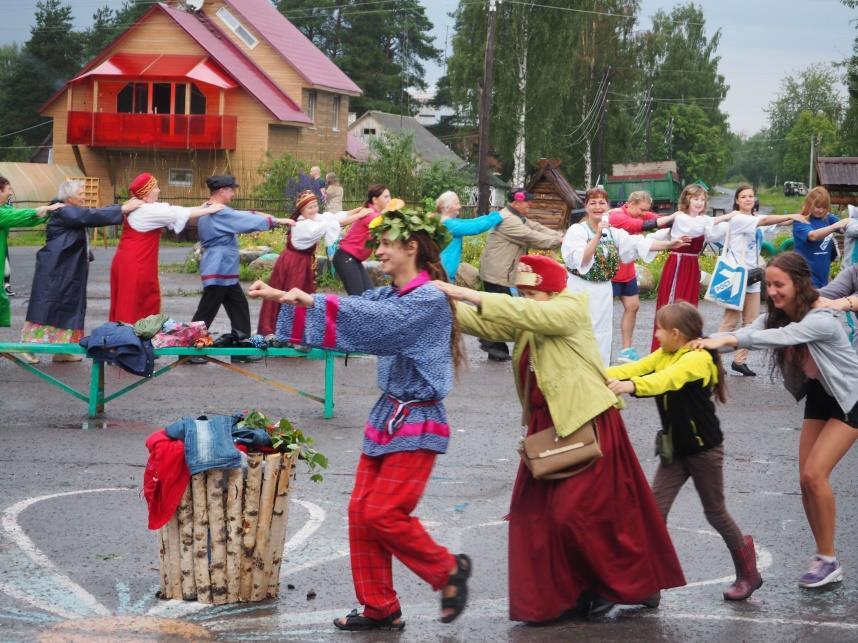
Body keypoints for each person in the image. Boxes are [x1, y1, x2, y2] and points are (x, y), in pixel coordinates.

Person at [248, 209, 471, 631]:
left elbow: (380, 326)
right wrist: (286, 296)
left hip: (417, 420)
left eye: (386, 244)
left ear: (412, 248)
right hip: (388, 415)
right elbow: (362, 307)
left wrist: (314, 301)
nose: (378, 251)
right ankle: (379, 606)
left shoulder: (426, 301)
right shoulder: (394, 295)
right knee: (360, 512)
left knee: (383, 513)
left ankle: (447, 571)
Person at [434, 255, 684, 622]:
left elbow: (529, 315)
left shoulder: (570, 307)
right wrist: (429, 298)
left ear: (549, 289)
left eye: (529, 291)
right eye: (520, 291)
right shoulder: (528, 315)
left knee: (578, 515)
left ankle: (620, 585)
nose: (523, 298)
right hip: (547, 428)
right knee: (537, 516)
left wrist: (460, 291)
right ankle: (567, 595)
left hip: (587, 421)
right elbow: (480, 320)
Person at [693, 252, 858, 589]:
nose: (772, 292)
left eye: (778, 285)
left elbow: (783, 338)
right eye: (768, 285)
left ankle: (828, 560)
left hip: (850, 398)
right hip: (821, 396)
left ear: (799, 284)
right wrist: (705, 344)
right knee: (805, 480)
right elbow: (751, 329)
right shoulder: (778, 315)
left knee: (815, 475)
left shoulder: (822, 317)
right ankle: (823, 556)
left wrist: (732, 340)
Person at [606, 302, 762, 601]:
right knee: (653, 513)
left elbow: (665, 380)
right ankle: (649, 584)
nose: (655, 334)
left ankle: (749, 573)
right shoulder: (665, 353)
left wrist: (628, 387)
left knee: (715, 512)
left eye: (659, 329)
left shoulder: (696, 359)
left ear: (675, 333)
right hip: (676, 449)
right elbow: (634, 368)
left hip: (704, 451)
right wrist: (592, 371)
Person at [562, 187, 689, 366]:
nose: (598, 207)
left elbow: (638, 243)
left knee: (602, 332)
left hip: (603, 288)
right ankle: (577, 371)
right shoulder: (578, 231)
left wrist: (669, 244)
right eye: (593, 203)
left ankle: (599, 372)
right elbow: (581, 259)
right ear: (586, 206)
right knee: (581, 329)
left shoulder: (613, 232)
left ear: (608, 206)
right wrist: (597, 235)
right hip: (582, 289)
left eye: (602, 203)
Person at [19, 181, 143, 364]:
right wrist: (123, 208)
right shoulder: (63, 210)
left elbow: (92, 213)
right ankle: (28, 347)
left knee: (67, 308)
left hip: (67, 269)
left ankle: (62, 351)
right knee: (47, 307)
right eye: (80, 194)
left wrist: (122, 207)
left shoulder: (70, 211)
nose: (84, 197)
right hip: (56, 270)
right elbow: (92, 215)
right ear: (69, 198)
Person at [191, 175, 292, 362]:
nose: (233, 193)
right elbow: (241, 219)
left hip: (223, 268)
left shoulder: (209, 209)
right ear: (222, 191)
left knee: (239, 306)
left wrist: (264, 217)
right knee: (207, 310)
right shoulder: (218, 212)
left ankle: (241, 349)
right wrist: (275, 221)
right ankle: (190, 349)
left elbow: (240, 216)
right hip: (219, 266)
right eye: (231, 190)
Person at [109, 173, 224, 324]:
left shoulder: (145, 206)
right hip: (135, 264)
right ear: (147, 193)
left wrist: (201, 207)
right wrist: (210, 210)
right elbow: (176, 213)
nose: (158, 190)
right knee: (133, 305)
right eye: (155, 187)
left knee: (135, 302)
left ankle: (131, 339)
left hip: (129, 261)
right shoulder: (146, 211)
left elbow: (174, 209)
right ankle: (128, 342)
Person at [715, 184, 805, 377]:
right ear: (737, 200)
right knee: (730, 321)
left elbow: (778, 223)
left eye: (751, 196)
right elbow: (765, 220)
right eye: (744, 196)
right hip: (737, 275)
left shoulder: (754, 218)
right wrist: (790, 216)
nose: (748, 199)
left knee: (750, 321)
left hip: (753, 276)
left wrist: (800, 215)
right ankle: (715, 359)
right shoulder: (738, 218)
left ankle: (740, 361)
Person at [256, 190, 364, 337]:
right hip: (293, 263)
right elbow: (334, 223)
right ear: (302, 210)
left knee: (304, 295)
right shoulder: (303, 225)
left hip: (302, 262)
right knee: (293, 295)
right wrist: (362, 215)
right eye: (309, 207)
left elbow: (335, 216)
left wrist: (361, 208)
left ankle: (300, 333)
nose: (314, 210)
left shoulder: (315, 218)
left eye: (315, 206)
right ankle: (286, 333)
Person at [477, 189, 563, 361]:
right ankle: (491, 344)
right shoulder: (508, 220)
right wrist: (560, 241)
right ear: (516, 202)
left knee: (498, 308)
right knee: (500, 309)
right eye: (527, 202)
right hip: (496, 272)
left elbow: (535, 227)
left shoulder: (516, 216)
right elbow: (530, 236)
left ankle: (494, 346)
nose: (530, 204)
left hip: (501, 270)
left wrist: (560, 234)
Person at [650, 185, 734, 351]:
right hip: (678, 265)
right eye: (695, 198)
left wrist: (737, 221)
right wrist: (730, 215)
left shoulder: (703, 220)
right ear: (686, 199)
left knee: (689, 306)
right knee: (673, 304)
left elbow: (714, 232)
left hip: (691, 266)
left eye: (702, 199)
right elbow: (696, 227)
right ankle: (663, 348)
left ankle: (685, 349)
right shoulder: (681, 218)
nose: (699, 202)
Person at [608, 191, 677, 362]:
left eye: (645, 210)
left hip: (628, 272)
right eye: (641, 210)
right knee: (604, 314)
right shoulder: (616, 216)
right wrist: (669, 218)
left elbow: (660, 220)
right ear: (630, 203)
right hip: (610, 273)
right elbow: (638, 226)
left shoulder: (640, 213)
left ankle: (626, 349)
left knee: (633, 306)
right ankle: (601, 348)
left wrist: (681, 218)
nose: (643, 214)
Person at [0, 176, 63, 328]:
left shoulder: (4, 209)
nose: (11, 193)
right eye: (8, 190)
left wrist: (47, 211)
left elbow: (24, 217)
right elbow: (16, 216)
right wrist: (46, 209)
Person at [332, 184, 389, 295]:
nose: (389, 200)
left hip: (353, 260)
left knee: (369, 297)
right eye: (386, 197)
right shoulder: (372, 216)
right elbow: (388, 227)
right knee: (358, 300)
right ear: (375, 199)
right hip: (346, 258)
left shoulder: (372, 213)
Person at [433, 190, 502, 282]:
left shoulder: (447, 221)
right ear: (447, 207)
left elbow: (471, 222)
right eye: (457, 203)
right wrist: (498, 216)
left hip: (444, 272)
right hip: (443, 274)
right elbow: (474, 227)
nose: (460, 206)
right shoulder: (447, 225)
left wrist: (492, 215)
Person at [792, 187, 848, 288]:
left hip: (823, 278)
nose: (821, 210)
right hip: (805, 279)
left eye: (824, 207)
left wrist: (848, 224)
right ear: (809, 205)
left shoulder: (827, 218)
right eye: (818, 207)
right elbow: (812, 236)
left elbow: (844, 227)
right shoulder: (800, 220)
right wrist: (834, 227)